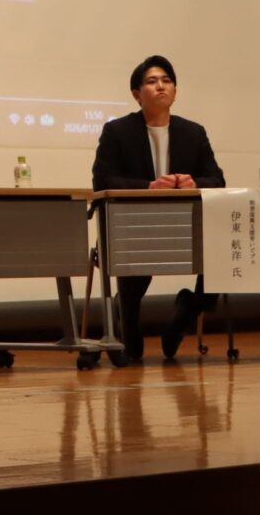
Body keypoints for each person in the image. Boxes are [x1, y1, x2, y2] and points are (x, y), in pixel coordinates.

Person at [91, 55, 226, 364]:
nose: (161, 86)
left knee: (224, 255)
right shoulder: (117, 131)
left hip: (186, 226)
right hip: (136, 227)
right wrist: (148, 187)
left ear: (175, 91)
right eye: (152, 81)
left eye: (167, 81)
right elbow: (103, 180)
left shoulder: (193, 132)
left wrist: (194, 183)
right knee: (131, 254)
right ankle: (128, 327)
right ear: (137, 94)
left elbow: (217, 180)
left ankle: (186, 312)